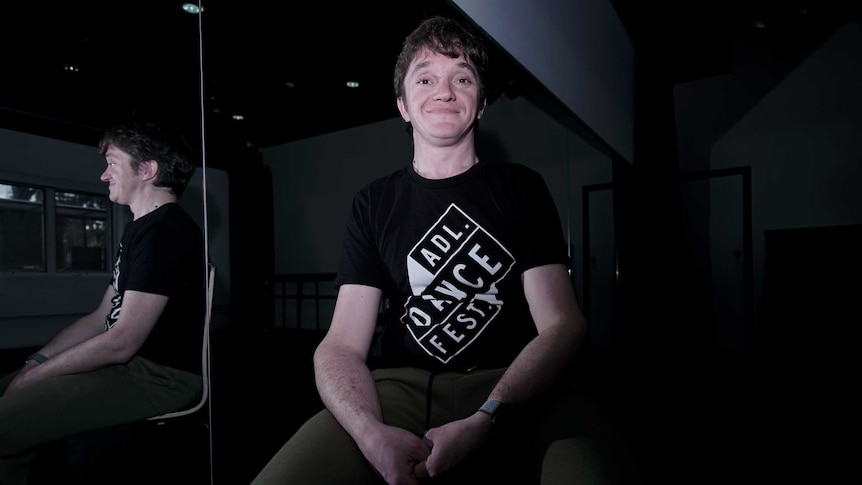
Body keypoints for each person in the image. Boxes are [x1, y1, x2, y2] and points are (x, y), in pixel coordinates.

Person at [252, 15, 636, 485]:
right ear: (403, 106)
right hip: (401, 387)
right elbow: (340, 346)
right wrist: (370, 434)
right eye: (426, 78)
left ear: (481, 105)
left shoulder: (520, 188)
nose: (445, 90)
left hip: (514, 381)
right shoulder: (373, 203)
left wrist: (489, 415)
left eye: (463, 78)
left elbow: (563, 325)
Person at [0, 121, 207, 484]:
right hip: (131, 366)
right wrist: (35, 362)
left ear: (147, 169)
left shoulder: (166, 231)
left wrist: (35, 377)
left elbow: (122, 340)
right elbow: (100, 318)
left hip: (158, 377)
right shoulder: (142, 228)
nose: (103, 175)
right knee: (8, 391)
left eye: (112, 163)